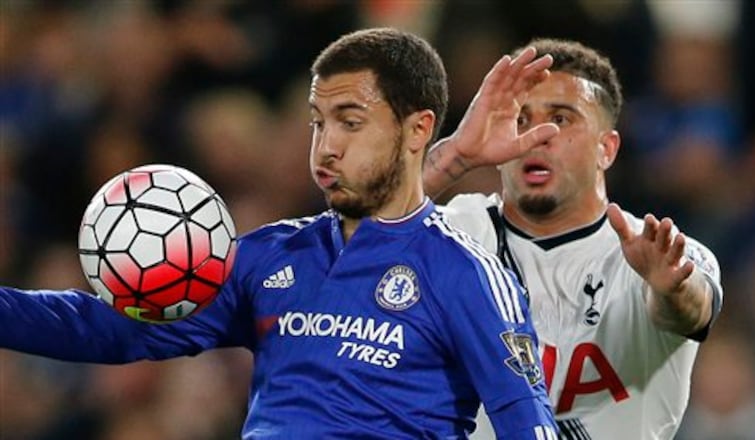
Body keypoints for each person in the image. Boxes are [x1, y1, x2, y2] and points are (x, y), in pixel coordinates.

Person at [0, 28, 559, 439]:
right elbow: (115, 330)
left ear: (418, 129)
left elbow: (526, 425)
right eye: (318, 122)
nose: (326, 144)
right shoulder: (267, 257)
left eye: (350, 121)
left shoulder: (466, 274)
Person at [424, 38, 723, 439]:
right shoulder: (456, 232)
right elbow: (342, 248)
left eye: (561, 119)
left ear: (607, 148)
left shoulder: (653, 254)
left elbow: (688, 308)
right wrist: (455, 157)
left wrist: (671, 290)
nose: (538, 135)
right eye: (520, 119)